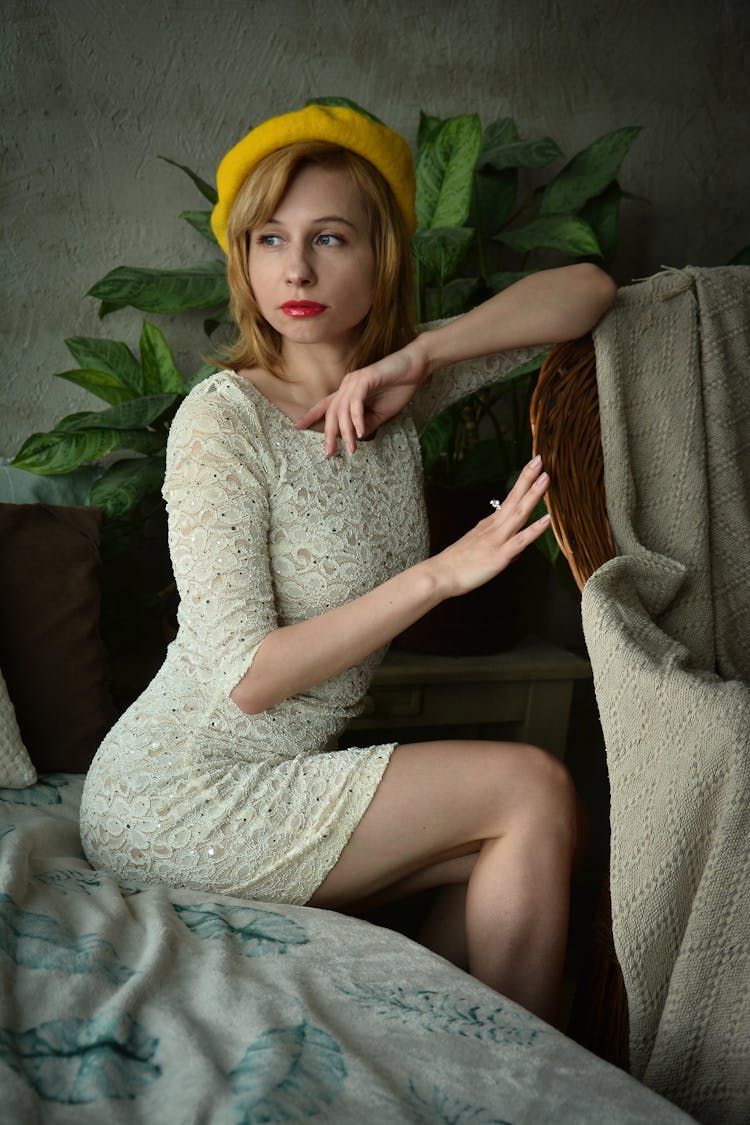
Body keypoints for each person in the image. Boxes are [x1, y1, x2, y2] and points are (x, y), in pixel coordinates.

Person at [80, 102, 617, 1023]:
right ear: (245, 262)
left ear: (382, 256)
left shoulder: (393, 395)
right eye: (270, 239)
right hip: (180, 790)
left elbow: (592, 289)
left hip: (277, 775)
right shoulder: (224, 419)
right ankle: (522, 1078)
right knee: (532, 786)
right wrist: (438, 575)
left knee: (531, 833)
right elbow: (248, 678)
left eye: (330, 237)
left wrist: (423, 353)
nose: (296, 268)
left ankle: (465, 1059)